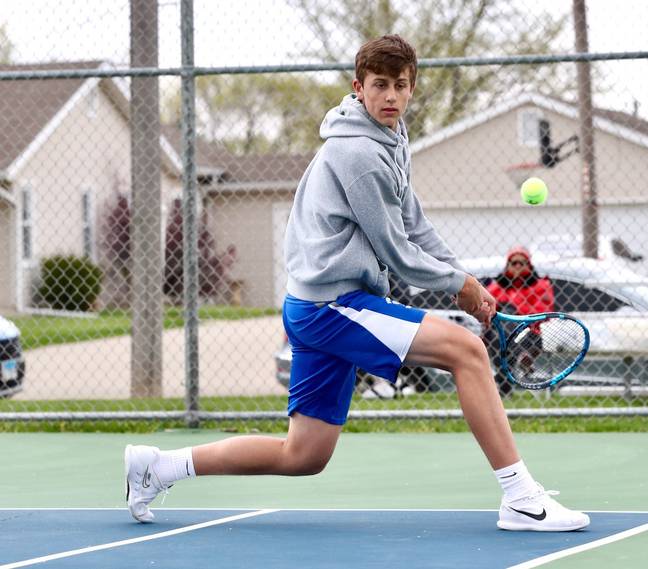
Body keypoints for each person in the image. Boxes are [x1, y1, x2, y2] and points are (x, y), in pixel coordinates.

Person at [124, 35, 589, 532]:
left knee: (303, 454)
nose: (390, 95)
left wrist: (468, 281)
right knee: (468, 353)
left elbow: (415, 223)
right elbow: (395, 251)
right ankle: (520, 498)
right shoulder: (358, 153)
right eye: (380, 85)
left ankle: (159, 467)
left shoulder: (393, 136)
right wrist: (460, 286)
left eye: (400, 85)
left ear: (412, 89)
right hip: (332, 306)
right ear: (358, 87)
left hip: (318, 307)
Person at [484, 246, 555, 396]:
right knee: (502, 322)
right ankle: (522, 358)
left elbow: (542, 312)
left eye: (521, 263)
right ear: (508, 264)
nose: (517, 266)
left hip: (530, 331)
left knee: (507, 317)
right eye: (513, 262)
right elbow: (486, 308)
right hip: (500, 333)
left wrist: (515, 313)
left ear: (528, 265)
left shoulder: (540, 285)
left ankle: (504, 385)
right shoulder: (497, 285)